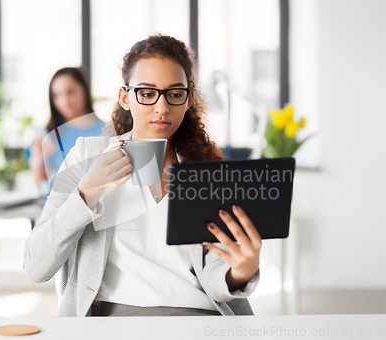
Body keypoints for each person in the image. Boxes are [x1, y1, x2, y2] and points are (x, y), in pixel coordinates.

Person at [23, 34, 261, 317]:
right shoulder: (86, 155)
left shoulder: (205, 169)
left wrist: (240, 272)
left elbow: (215, 275)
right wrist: (86, 192)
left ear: (188, 100)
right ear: (125, 97)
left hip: (197, 316)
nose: (162, 108)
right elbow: (36, 266)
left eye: (174, 94)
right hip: (114, 319)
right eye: (147, 93)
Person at [29, 67, 105, 195]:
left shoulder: (109, 131)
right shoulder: (49, 135)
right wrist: (36, 162)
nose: (64, 101)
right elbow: (42, 186)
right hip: (59, 209)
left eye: (70, 92)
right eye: (57, 95)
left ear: (84, 90)